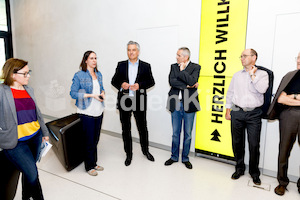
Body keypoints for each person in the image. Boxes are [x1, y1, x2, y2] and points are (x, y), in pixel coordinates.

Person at [0, 58, 49, 200]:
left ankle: (26, 197)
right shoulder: (2, 92)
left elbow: (37, 113)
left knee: (28, 173)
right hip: (16, 142)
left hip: (35, 137)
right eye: (25, 73)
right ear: (12, 74)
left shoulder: (29, 89)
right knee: (33, 173)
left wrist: (44, 132)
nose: (29, 76)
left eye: (29, 73)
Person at [225, 49, 269, 185]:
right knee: (237, 143)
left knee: (254, 145)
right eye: (241, 56)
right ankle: (239, 168)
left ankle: (254, 173)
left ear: (254, 57)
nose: (242, 58)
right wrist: (228, 110)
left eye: (244, 56)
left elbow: (262, 89)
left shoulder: (263, 74)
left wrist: (252, 75)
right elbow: (230, 92)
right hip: (237, 112)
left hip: (254, 114)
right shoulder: (237, 75)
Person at [111, 41, 155, 166]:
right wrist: (121, 84)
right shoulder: (121, 65)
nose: (131, 52)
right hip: (124, 99)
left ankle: (145, 151)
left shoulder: (146, 66)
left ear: (138, 51)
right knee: (126, 128)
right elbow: (113, 80)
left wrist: (139, 85)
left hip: (139, 100)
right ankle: (128, 154)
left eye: (133, 50)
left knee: (142, 127)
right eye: (129, 50)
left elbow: (151, 82)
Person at [268, 52, 300, 196]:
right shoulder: (290, 76)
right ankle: (282, 183)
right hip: (289, 115)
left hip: (292, 109)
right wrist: (297, 98)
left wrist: (290, 97)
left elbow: (286, 98)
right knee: (284, 150)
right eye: (298, 57)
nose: (299, 60)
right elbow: (280, 99)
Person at [165, 47, 201, 169]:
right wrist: (188, 85)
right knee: (175, 133)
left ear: (186, 57)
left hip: (190, 104)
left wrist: (182, 72)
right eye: (177, 55)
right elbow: (172, 81)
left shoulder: (196, 67)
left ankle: (185, 158)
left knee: (188, 134)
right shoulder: (173, 66)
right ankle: (174, 156)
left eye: (179, 55)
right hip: (175, 103)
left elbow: (193, 80)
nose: (176, 57)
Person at [70, 51, 105, 176]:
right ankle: (89, 166)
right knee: (88, 140)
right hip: (86, 111)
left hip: (98, 110)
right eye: (91, 58)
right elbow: (73, 93)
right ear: (85, 60)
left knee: (95, 139)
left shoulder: (98, 74)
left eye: (95, 58)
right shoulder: (79, 75)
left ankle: (94, 163)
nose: (94, 60)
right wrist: (91, 95)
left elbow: (101, 88)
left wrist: (103, 93)